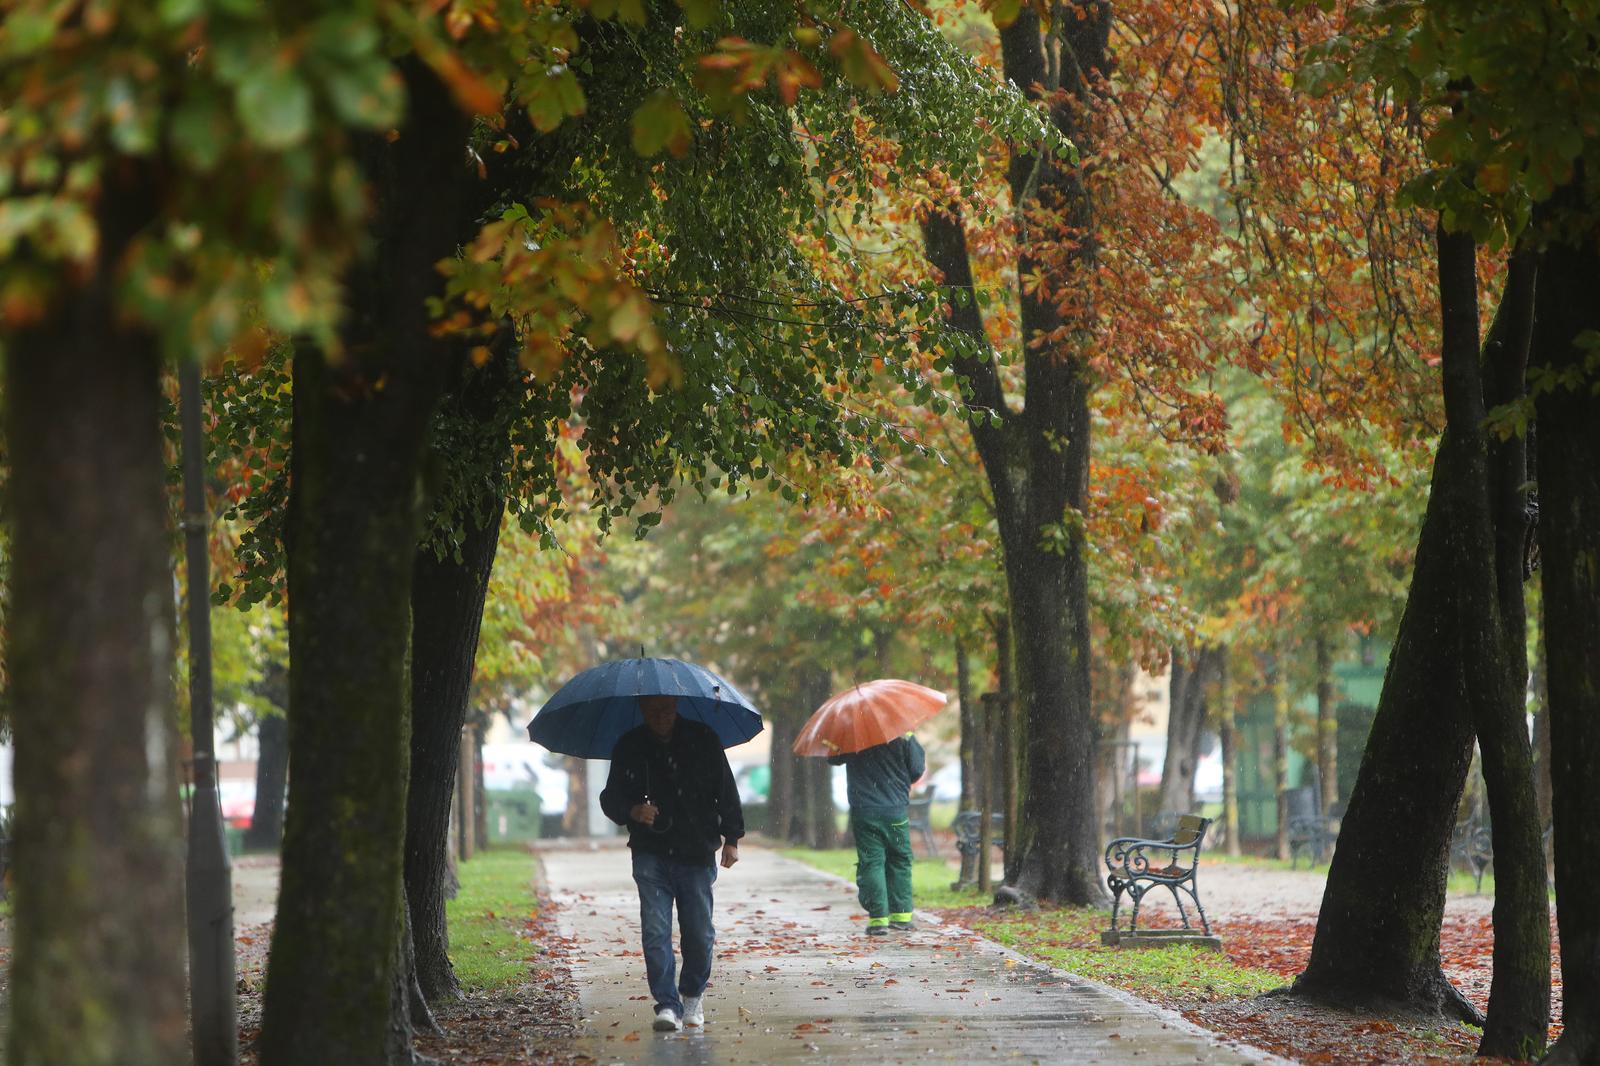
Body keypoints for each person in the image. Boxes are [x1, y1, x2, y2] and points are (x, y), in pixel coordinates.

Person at [600, 694, 743, 1033]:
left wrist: (732, 838)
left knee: (698, 931)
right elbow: (610, 797)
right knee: (655, 931)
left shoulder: (703, 739)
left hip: (696, 851)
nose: (660, 716)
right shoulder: (630, 745)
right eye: (652, 710)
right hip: (650, 852)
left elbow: (726, 789)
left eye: (666, 709)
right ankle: (667, 1004)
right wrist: (633, 811)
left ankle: (692, 995)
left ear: (676, 706)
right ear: (642, 710)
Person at [828, 732, 925, 936]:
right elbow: (917, 769)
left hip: (864, 810)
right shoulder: (903, 732)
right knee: (899, 860)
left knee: (872, 861)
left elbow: (833, 759)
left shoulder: (854, 733)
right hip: (895, 809)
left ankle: (878, 919)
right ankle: (902, 916)